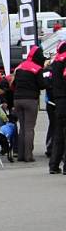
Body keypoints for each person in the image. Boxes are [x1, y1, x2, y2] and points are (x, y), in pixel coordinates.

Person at [12, 45, 46, 162]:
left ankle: (20, 155)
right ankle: (28, 156)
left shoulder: (20, 66)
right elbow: (42, 85)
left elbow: (14, 83)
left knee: (22, 128)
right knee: (29, 128)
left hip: (17, 100)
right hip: (30, 100)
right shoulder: (37, 68)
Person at [47, 41, 66, 174]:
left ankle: (53, 165)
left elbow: (48, 80)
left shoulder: (55, 62)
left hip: (57, 100)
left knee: (59, 134)